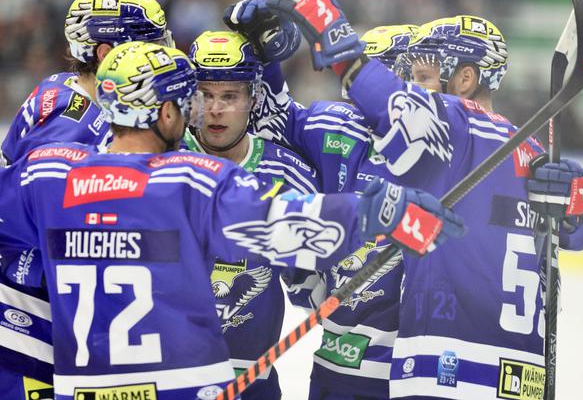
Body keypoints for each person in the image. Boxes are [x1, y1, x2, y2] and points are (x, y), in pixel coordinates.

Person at [0, 40, 463, 400]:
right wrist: (382, 211)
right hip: (185, 386)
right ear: (165, 112)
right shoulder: (190, 180)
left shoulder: (49, 176)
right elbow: (288, 225)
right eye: (187, 105)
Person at [264, 0, 583, 399]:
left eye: (422, 76)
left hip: (445, 370)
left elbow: (385, 101)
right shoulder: (528, 149)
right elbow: (577, 231)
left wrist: (331, 29)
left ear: (463, 80)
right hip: (520, 377)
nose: (412, 88)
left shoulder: (455, 128)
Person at [225, 0, 418, 400]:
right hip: (339, 359)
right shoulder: (336, 126)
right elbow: (273, 118)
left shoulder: (443, 146)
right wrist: (264, 52)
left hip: (416, 363)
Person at [0, 0, 174, 399]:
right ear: (105, 53)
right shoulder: (71, 117)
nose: (163, 53)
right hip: (30, 332)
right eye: (151, 43)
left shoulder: (86, 99)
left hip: (60, 329)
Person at [185, 29, 321, 399]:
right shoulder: (160, 161)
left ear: (254, 97)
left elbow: (311, 289)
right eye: (204, 95)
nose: (215, 109)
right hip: (169, 377)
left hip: (250, 384)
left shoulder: (288, 174)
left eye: (229, 96)